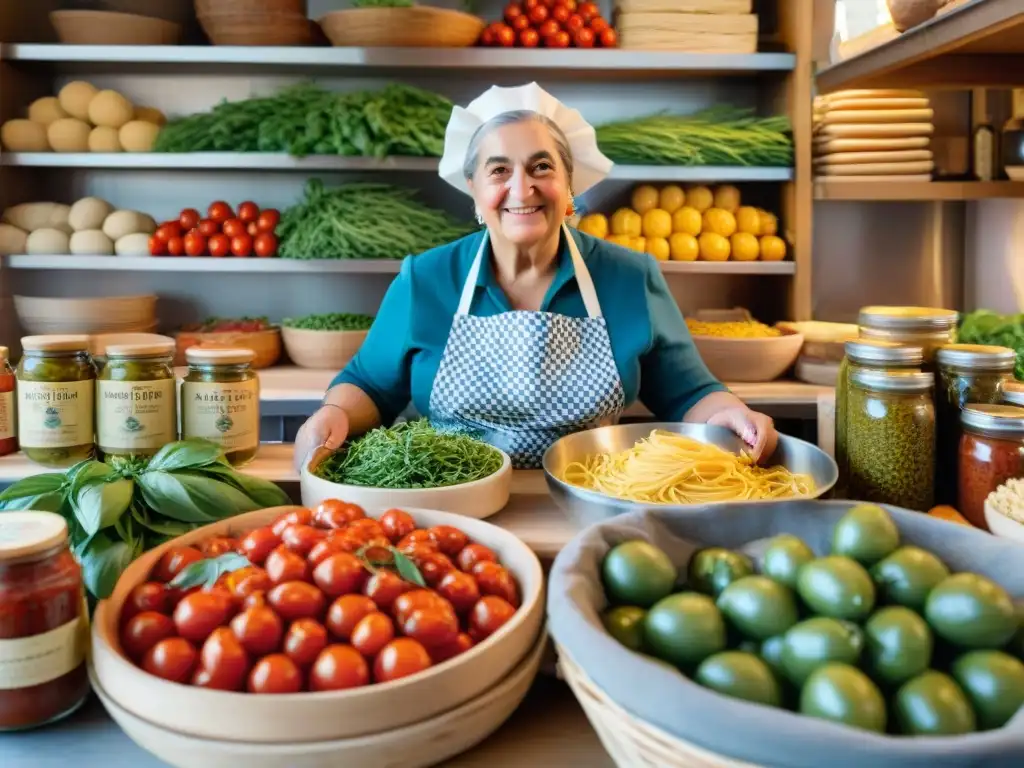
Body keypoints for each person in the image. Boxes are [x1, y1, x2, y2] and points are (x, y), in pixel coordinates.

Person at [294, 83, 778, 471]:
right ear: (474, 192)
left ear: (569, 186)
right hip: (452, 502)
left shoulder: (629, 277)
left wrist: (730, 413)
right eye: (499, 170)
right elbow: (370, 387)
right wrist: (334, 413)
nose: (521, 188)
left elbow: (688, 392)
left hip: (593, 493)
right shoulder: (426, 278)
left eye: (540, 167)